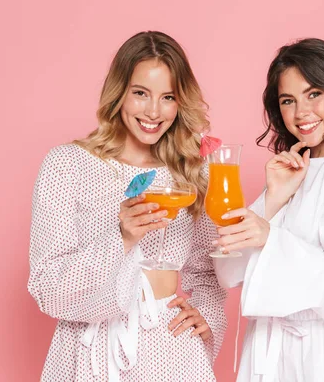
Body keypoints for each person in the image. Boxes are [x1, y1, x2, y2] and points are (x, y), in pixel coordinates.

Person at [28, 31, 227, 381]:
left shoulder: (194, 170)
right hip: (90, 350)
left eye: (168, 97)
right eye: (140, 94)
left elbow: (208, 272)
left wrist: (207, 316)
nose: (154, 111)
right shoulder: (67, 165)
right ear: (119, 92)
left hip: (172, 348)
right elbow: (48, 288)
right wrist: (122, 237)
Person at [213, 38, 324, 381]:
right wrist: (273, 199)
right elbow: (229, 273)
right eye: (288, 101)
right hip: (270, 352)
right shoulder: (289, 171)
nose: (301, 113)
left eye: (314, 94)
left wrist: (270, 238)